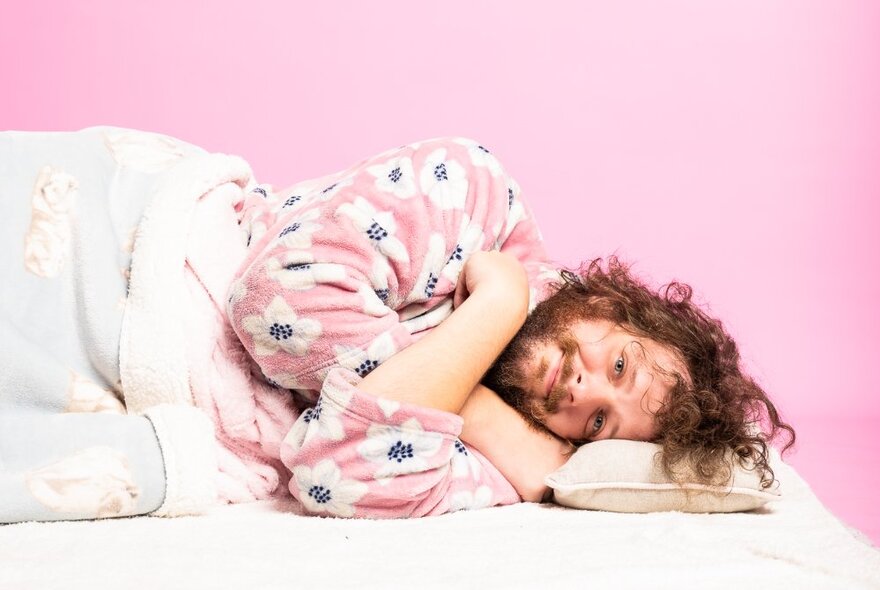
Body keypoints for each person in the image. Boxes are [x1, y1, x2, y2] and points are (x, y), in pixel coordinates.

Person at [0, 129, 794, 522]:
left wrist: (478, 380)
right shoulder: (472, 196)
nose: (582, 391)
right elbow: (273, 303)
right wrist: (497, 305)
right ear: (612, 308)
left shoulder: (510, 450)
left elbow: (329, 477)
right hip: (124, 244)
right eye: (616, 366)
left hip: (115, 388)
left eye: (597, 426)